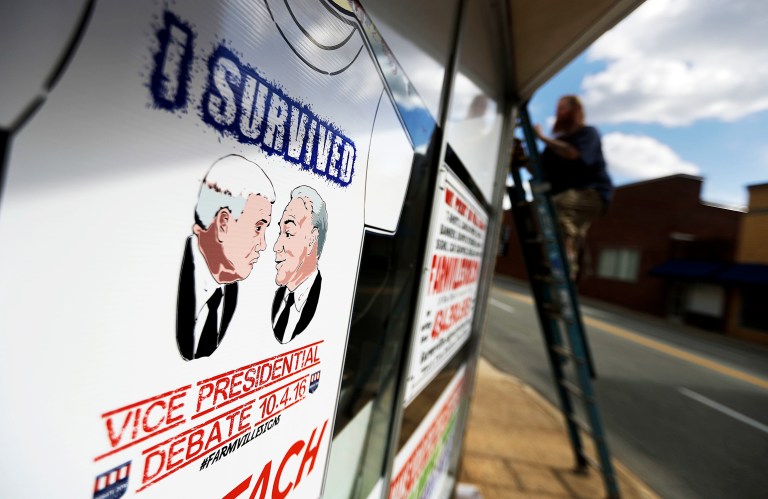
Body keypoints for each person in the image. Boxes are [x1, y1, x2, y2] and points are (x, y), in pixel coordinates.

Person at [176, 155, 275, 360]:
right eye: (257, 227)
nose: (263, 244)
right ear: (223, 224)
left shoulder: (230, 288)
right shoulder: (171, 273)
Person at [534, 95, 613, 280]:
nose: (557, 113)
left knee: (557, 205)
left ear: (575, 110)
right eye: (557, 109)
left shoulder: (588, 133)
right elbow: (540, 168)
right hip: (571, 195)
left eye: (562, 108)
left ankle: (565, 263)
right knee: (570, 230)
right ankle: (572, 269)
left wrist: (543, 138)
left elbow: (573, 154)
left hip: (593, 194)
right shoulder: (553, 147)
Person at [272, 185, 328, 344]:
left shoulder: (325, 304)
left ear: (312, 239)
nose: (277, 246)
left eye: (288, 233)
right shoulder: (277, 299)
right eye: (280, 232)